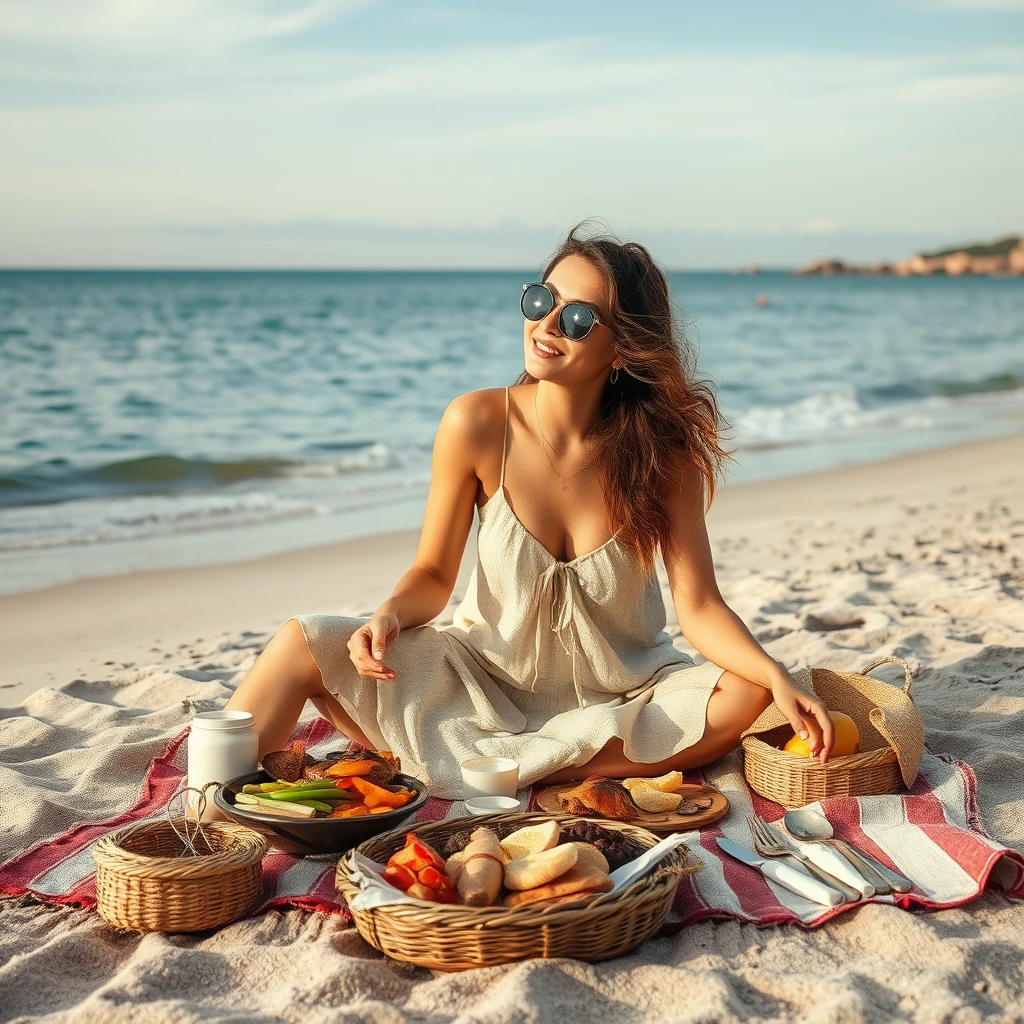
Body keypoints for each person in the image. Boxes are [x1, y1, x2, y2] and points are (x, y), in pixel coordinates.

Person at [225, 223, 835, 798]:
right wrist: (387, 615)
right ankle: (216, 813)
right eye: (543, 300)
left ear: (622, 348)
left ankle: (502, 764)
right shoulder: (478, 422)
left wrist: (773, 671)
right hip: (477, 684)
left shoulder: (663, 457)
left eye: (577, 317)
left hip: (623, 696)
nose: (548, 324)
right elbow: (433, 577)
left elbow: (698, 607)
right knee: (300, 643)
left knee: (751, 689)